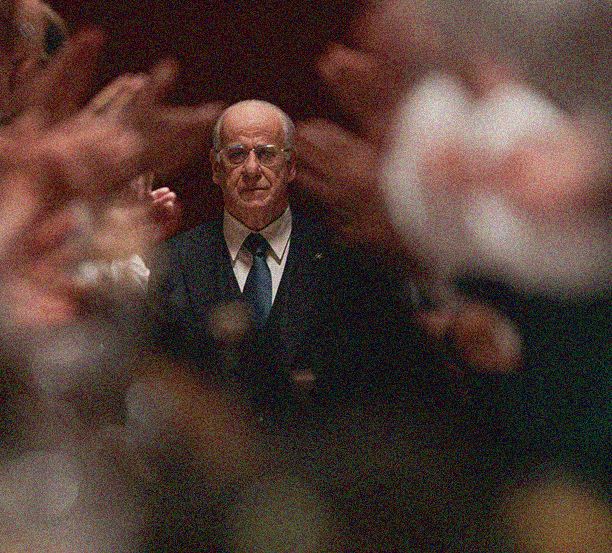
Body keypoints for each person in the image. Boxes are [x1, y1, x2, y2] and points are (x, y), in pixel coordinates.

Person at [152, 99, 453, 423]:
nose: (252, 170)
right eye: (237, 155)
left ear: (291, 165)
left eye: (266, 154)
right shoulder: (174, 261)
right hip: (214, 461)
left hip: (337, 459)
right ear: (215, 167)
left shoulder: (349, 257)